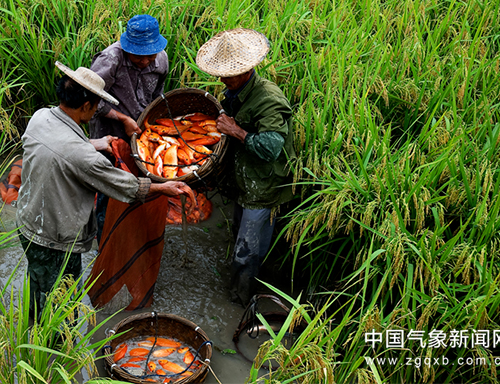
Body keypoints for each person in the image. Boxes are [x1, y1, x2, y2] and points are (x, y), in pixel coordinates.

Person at [16, 62, 190, 321]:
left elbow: (62, 145)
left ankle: (32, 321)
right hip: (54, 239)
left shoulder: (41, 117)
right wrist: (162, 187)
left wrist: (96, 143)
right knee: (62, 304)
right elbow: (122, 185)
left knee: (39, 282)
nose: (97, 109)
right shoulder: (84, 158)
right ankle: (55, 351)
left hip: (27, 222)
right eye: (96, 104)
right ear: (86, 106)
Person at [196, 28, 295, 306]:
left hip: (263, 185)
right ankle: (240, 286)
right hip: (244, 178)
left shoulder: (268, 100)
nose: (221, 79)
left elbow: (271, 147)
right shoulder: (236, 90)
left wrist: (237, 130)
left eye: (226, 75)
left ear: (245, 71)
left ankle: (240, 303)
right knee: (240, 235)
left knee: (248, 250)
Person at [88, 14, 169, 142]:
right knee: (109, 158)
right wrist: (123, 119)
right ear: (128, 49)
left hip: (141, 127)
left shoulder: (162, 58)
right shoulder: (110, 59)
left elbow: (157, 95)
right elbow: (90, 98)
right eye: (138, 56)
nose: (144, 61)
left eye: (151, 56)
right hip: (109, 129)